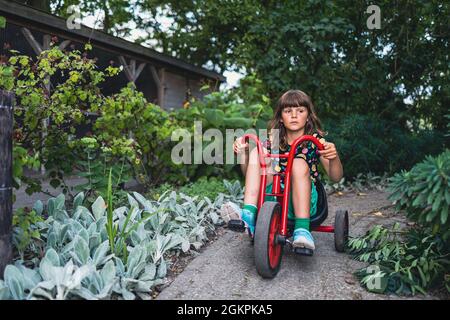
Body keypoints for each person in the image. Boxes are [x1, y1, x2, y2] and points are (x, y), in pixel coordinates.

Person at [228, 89, 343, 251]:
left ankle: (302, 230)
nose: (294, 115)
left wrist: (334, 157)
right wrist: (244, 153)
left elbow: (336, 177)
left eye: (300, 111)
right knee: (258, 153)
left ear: (308, 116)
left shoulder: (316, 142)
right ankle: (248, 216)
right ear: (281, 117)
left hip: (303, 200)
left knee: (298, 163)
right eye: (288, 111)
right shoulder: (273, 142)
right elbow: (251, 174)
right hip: (273, 198)